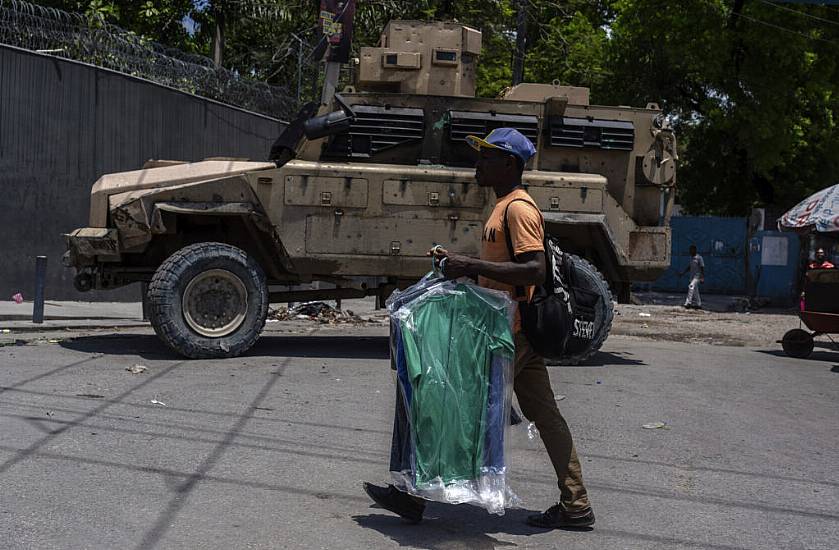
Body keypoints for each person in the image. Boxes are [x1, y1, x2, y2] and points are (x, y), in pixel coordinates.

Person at [363, 128, 594, 529]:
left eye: (487, 156)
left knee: (448, 399)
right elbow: (504, 268)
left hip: (511, 332)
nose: (478, 162)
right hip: (511, 328)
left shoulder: (518, 209)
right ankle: (576, 504)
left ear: (508, 164)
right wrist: (460, 263)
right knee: (545, 414)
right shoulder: (503, 205)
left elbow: (534, 269)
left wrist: (472, 266)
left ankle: (414, 495)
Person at [679, 245, 704, 309]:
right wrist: (683, 273)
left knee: (691, 286)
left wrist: (702, 277)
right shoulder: (691, 258)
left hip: (697, 276)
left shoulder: (699, 258)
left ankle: (688, 302)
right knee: (695, 291)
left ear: (695, 250)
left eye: (691, 250)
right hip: (692, 276)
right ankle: (699, 304)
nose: (690, 251)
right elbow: (689, 267)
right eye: (690, 250)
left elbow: (702, 268)